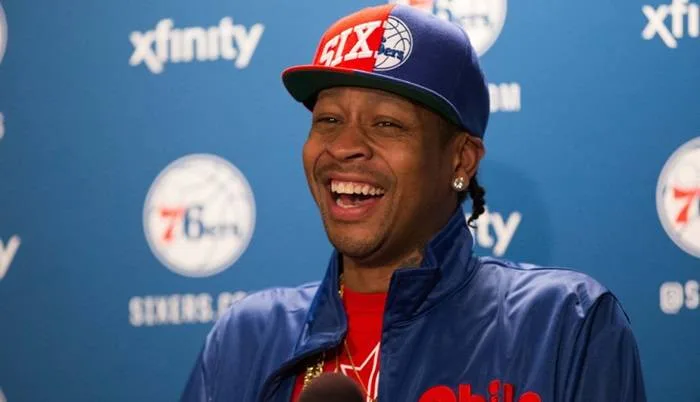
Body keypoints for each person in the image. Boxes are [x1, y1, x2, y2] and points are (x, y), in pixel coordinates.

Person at [181, 4, 646, 402]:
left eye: (386, 124)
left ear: (461, 159)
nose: (344, 147)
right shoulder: (244, 339)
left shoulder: (564, 322)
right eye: (328, 120)